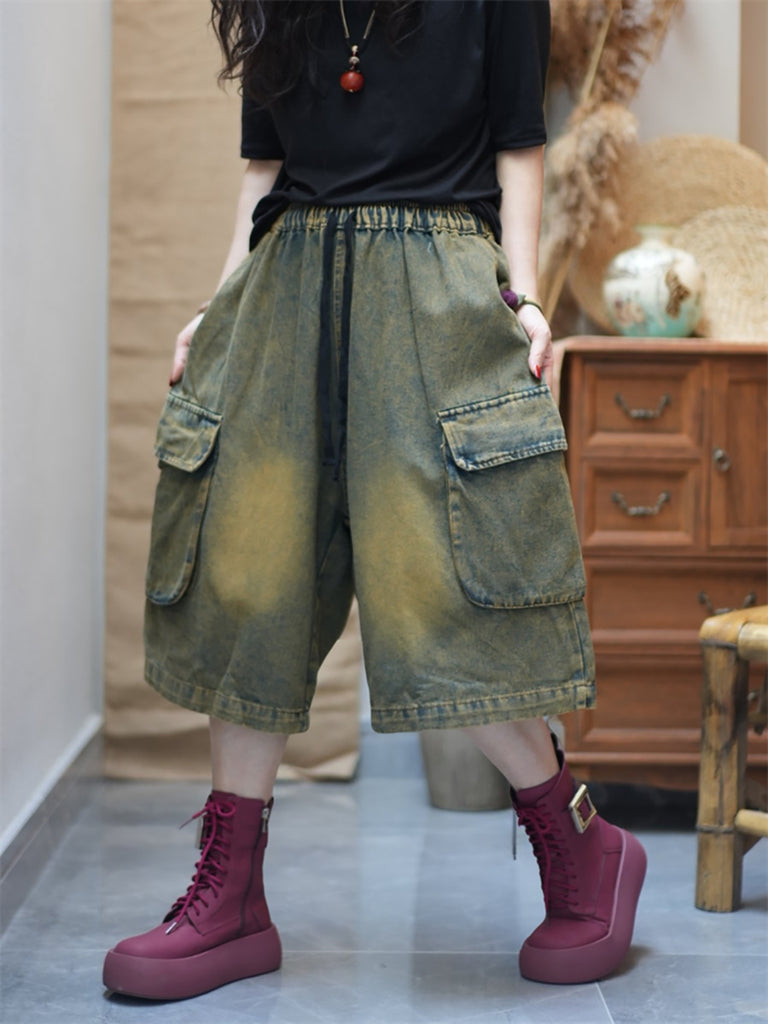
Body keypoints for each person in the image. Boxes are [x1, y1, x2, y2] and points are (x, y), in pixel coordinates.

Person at [103, 0, 646, 1001]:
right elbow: (263, 173)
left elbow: (519, 144)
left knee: (444, 595)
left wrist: (524, 293)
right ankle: (231, 897)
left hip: (435, 286)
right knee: (249, 582)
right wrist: (218, 303)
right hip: (287, 287)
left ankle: (583, 847)